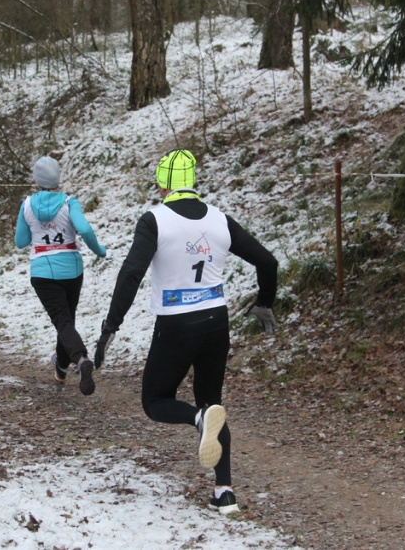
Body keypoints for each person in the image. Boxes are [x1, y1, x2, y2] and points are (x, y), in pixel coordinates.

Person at [93, 149, 278, 515]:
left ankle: (197, 419)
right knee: (212, 401)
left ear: (162, 184)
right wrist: (264, 303)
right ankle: (224, 492)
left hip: (176, 324)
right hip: (215, 322)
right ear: (193, 181)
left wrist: (110, 327)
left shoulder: (155, 220)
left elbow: (131, 274)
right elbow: (267, 262)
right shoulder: (220, 220)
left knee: (155, 401)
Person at [16, 155, 107, 396]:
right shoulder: (69, 202)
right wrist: (99, 250)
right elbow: (84, 228)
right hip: (71, 269)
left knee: (63, 321)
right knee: (66, 320)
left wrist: (38, 230)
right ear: (58, 177)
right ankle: (61, 366)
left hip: (42, 272)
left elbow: (20, 241)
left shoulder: (27, 205)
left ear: (37, 179)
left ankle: (81, 358)